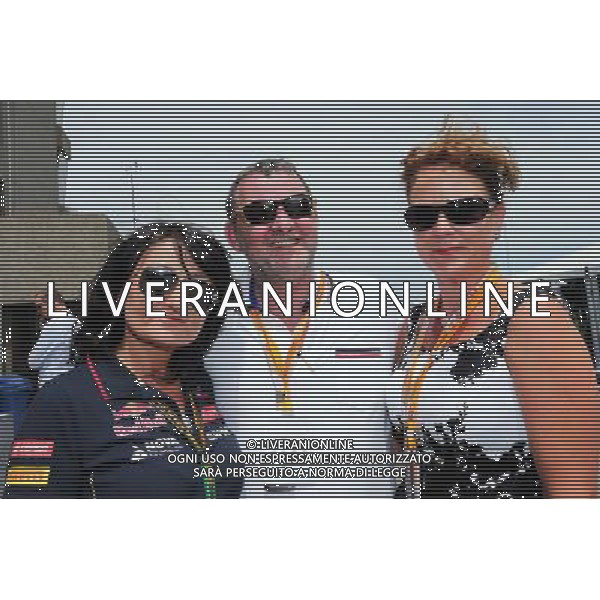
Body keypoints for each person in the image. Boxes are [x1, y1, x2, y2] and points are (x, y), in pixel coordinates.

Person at [391, 120, 600, 498]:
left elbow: (577, 489)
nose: (441, 228)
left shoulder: (534, 318)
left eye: (463, 211)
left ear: (497, 217)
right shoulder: (414, 324)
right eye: (423, 216)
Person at [204, 159, 399, 497]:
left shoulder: (383, 315)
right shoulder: (203, 324)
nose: (282, 223)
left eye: (298, 207)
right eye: (260, 213)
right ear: (234, 236)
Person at [5, 223, 242, 498]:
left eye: (201, 290)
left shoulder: (198, 385)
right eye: (159, 281)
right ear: (117, 291)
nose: (179, 301)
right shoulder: (61, 400)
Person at [29, 290, 80, 386]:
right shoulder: (76, 322)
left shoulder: (54, 324)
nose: (38, 311)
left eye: (40, 306)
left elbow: (34, 362)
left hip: (52, 381)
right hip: (73, 379)